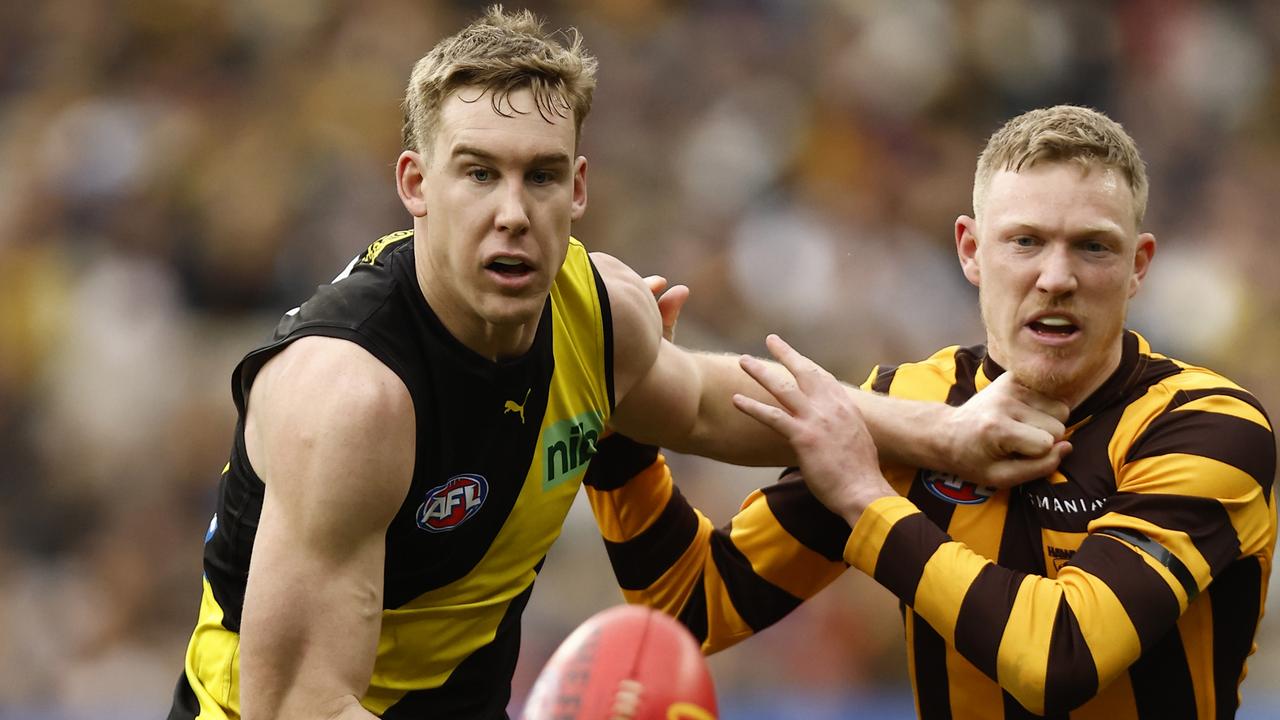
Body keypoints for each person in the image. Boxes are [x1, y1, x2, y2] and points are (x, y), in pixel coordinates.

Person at [166, 8, 1072, 720]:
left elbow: (707, 403)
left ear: (580, 187)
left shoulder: (592, 309)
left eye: (541, 176)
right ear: (415, 185)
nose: (513, 212)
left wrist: (946, 432)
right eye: (477, 174)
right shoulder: (351, 396)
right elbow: (299, 707)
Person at [589, 105, 1276, 718]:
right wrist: (613, 414)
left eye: (1092, 246)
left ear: (1139, 265)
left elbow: (1063, 657)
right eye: (1026, 241)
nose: (1057, 278)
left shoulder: (1208, 426)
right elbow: (692, 604)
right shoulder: (913, 406)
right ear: (971, 251)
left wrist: (865, 500)